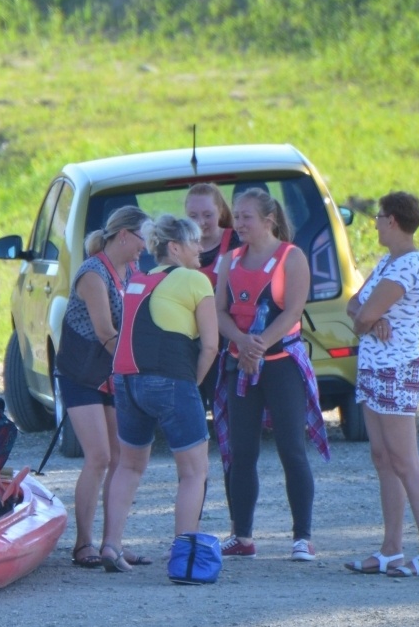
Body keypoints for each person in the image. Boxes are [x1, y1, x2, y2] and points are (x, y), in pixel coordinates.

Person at [99, 215, 220, 572]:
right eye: (195, 241)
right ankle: (184, 557)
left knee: (129, 465)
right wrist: (192, 383)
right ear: (175, 247)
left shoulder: (138, 280)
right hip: (170, 378)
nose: (201, 248)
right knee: (193, 472)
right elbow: (210, 345)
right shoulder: (195, 280)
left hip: (125, 380)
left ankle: (110, 544)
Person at [213, 188, 329, 561]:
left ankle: (302, 538)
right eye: (237, 216)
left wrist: (258, 345)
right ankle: (242, 536)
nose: (239, 223)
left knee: (291, 448)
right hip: (240, 363)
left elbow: (292, 312)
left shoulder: (291, 258)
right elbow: (218, 312)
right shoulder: (229, 260)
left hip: (281, 364)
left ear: (269, 220)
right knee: (240, 452)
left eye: (246, 217)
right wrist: (242, 344)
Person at [345, 192, 419, 577]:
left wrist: (368, 320)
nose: (375, 222)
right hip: (373, 370)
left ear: (394, 222)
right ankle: (391, 549)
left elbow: (362, 317)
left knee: (405, 462)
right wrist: (367, 318)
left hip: (396, 371)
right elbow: (354, 304)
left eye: (380, 216)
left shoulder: (405, 269)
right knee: (382, 459)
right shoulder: (389, 262)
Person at [56, 205, 149, 569]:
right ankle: (83, 544)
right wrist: (138, 364)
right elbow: (105, 331)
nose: (146, 246)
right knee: (99, 458)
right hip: (82, 375)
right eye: (143, 238)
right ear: (123, 234)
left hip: (114, 374)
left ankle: (113, 543)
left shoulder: (133, 271)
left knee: (121, 460)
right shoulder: (93, 271)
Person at [184, 182, 239, 409]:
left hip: (227, 339)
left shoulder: (237, 241)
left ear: (221, 212)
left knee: (227, 407)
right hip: (190, 339)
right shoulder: (179, 246)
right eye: (193, 215)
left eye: (208, 214)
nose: (200, 222)